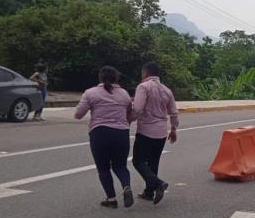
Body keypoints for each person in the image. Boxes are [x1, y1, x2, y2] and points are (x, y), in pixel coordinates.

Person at [74, 66, 134, 208]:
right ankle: (126, 186)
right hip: (121, 134)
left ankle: (111, 199)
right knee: (120, 166)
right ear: (116, 78)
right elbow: (130, 113)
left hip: (100, 133)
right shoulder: (124, 94)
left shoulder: (91, 93)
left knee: (103, 168)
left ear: (100, 77)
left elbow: (78, 114)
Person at [130, 62, 178, 205]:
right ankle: (149, 192)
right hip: (161, 132)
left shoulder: (143, 87)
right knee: (153, 162)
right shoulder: (167, 90)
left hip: (146, 131)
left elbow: (137, 109)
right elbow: (173, 112)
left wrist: (128, 120)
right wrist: (174, 129)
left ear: (145, 73)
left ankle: (158, 184)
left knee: (137, 161)